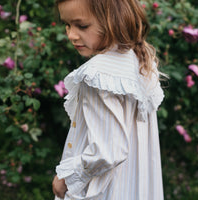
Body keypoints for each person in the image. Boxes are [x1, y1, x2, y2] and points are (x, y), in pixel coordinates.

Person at [52, 0, 165, 199]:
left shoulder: (98, 75)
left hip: (105, 190)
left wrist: (67, 178)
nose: (71, 34)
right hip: (134, 187)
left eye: (82, 25)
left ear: (113, 20)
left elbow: (108, 151)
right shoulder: (137, 60)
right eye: (67, 25)